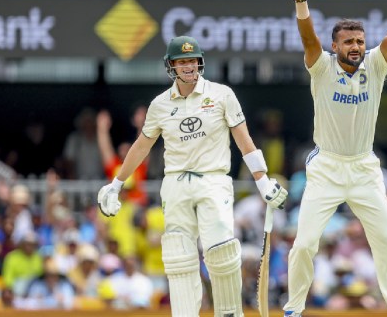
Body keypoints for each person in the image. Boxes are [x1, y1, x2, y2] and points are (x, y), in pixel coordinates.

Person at [96, 35, 288, 317]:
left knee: (220, 251)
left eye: (192, 61)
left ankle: (229, 313)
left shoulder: (222, 95)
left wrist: (262, 180)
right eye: (181, 61)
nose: (188, 66)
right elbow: (141, 146)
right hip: (175, 183)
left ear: (200, 63)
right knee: (178, 256)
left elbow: (244, 140)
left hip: (214, 180)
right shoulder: (160, 105)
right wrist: (116, 184)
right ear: (170, 66)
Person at [284, 0, 387, 317]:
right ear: (335, 45)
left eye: (359, 40)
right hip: (326, 167)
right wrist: (302, 3)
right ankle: (293, 309)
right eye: (349, 41)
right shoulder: (322, 66)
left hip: (364, 168)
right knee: (305, 244)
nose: (356, 46)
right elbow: (308, 39)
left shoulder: (375, 65)